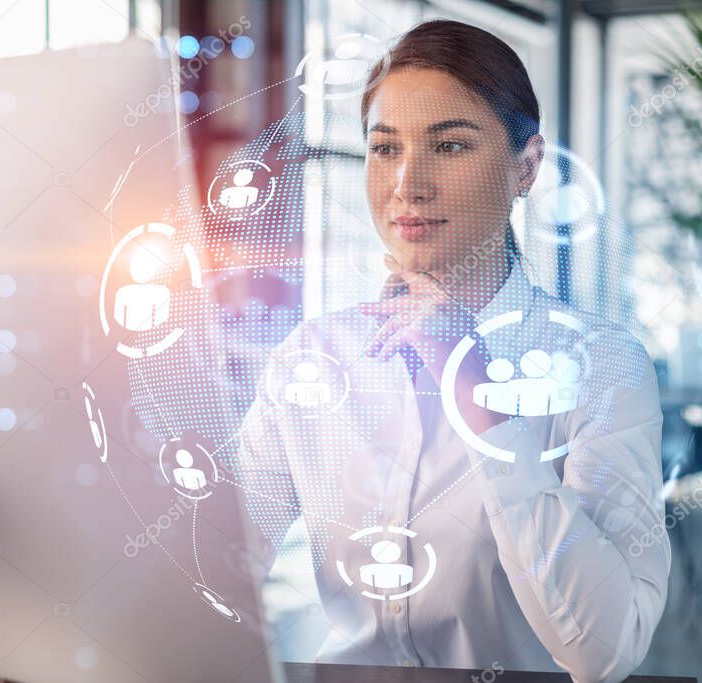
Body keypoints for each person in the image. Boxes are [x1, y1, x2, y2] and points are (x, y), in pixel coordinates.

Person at [235, 19, 669, 683]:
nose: (408, 184)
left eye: (450, 146)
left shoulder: (603, 367)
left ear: (526, 167)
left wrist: (474, 390)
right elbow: (216, 569)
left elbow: (605, 647)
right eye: (385, 150)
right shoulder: (311, 359)